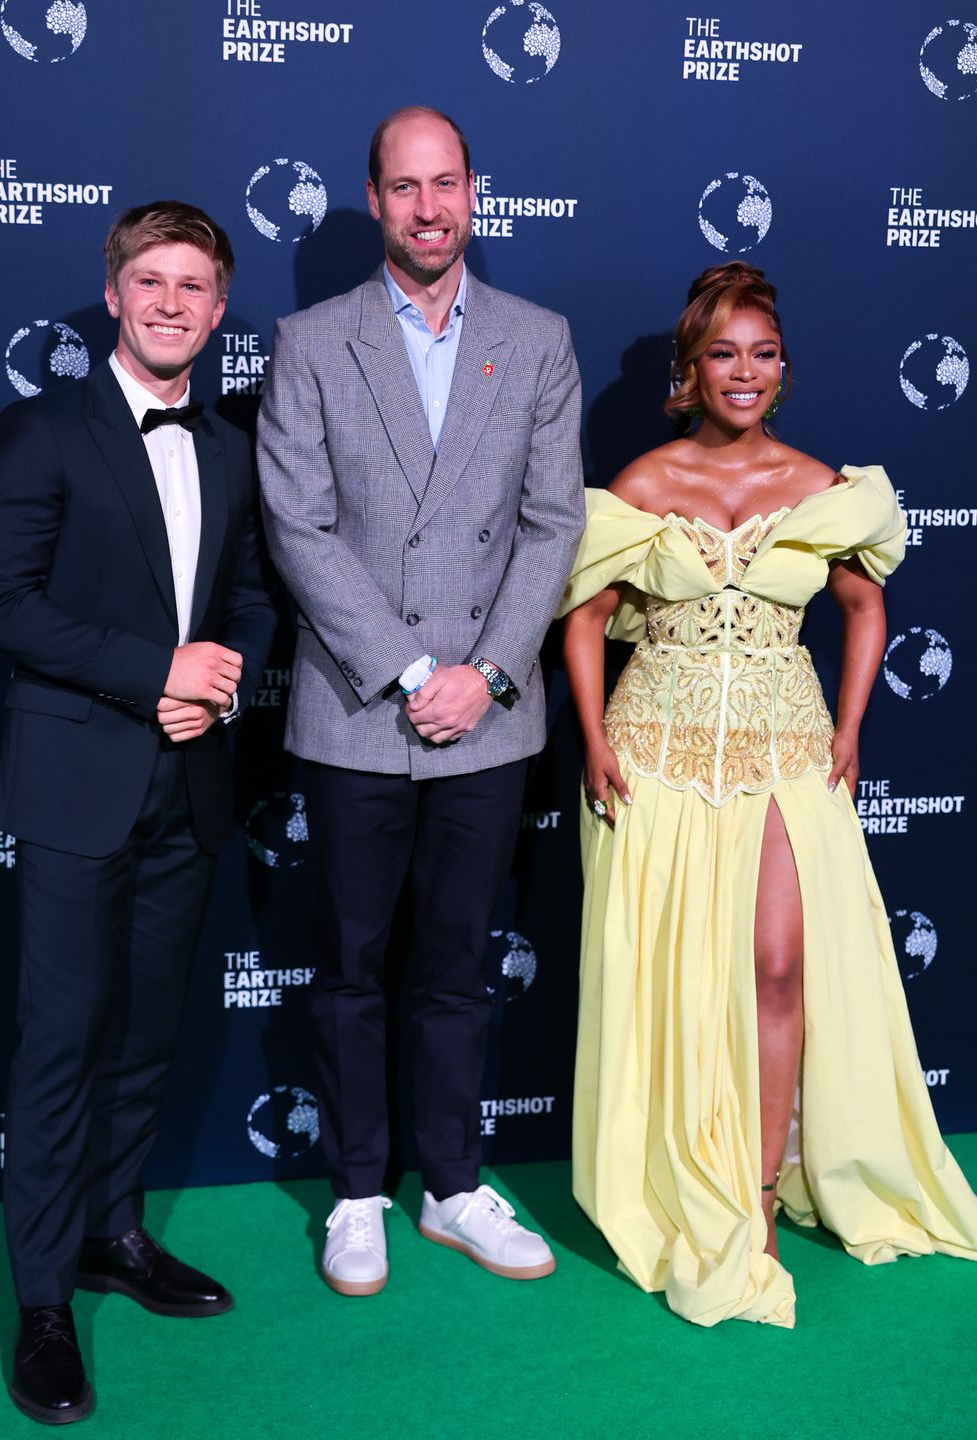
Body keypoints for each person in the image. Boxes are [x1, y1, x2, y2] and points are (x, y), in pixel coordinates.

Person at [560, 262, 977, 1328]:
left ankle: (757, 1188)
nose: (743, 372)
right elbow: (582, 616)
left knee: (778, 965)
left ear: (783, 370)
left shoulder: (821, 484)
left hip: (787, 754)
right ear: (690, 372)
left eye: (762, 354)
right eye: (722, 355)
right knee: (673, 977)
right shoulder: (645, 483)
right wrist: (598, 737)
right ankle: (677, 1173)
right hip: (655, 756)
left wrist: (848, 728)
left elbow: (864, 605)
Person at [257, 106, 584, 1296]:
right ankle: (356, 1195)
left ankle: (451, 1185)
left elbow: (553, 525)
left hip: (491, 715)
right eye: (405, 188)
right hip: (357, 710)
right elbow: (299, 525)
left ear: (474, 191)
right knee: (348, 966)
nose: (429, 208)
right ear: (376, 197)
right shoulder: (311, 340)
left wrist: (487, 673)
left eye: (446, 184)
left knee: (455, 967)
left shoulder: (538, 339)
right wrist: (408, 673)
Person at [0, 200, 276, 1420]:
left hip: (188, 790)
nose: (169, 303)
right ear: (113, 295)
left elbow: (250, 601)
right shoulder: (41, 429)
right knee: (58, 1045)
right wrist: (153, 671)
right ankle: (44, 1299)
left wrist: (223, 682)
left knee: (147, 1036)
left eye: (194, 286)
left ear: (216, 308)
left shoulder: (233, 449)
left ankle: (114, 1235)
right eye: (150, 280)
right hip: (75, 783)